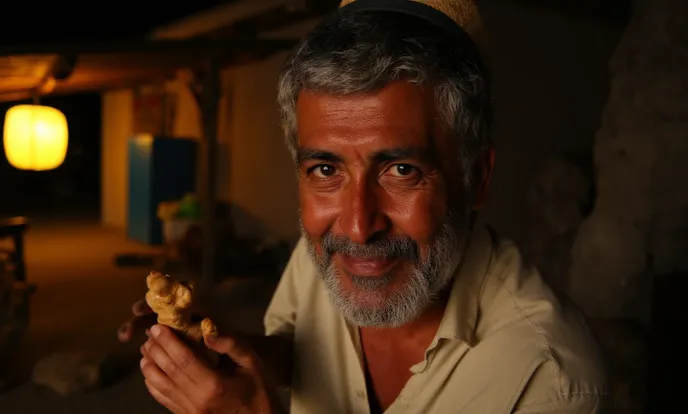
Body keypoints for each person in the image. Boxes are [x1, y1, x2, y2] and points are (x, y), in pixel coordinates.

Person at [118, 0, 609, 412]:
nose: (356, 226)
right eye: (326, 171)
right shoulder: (326, 255)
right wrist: (223, 351)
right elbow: (304, 353)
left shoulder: (547, 381)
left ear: (475, 178)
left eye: (401, 171)